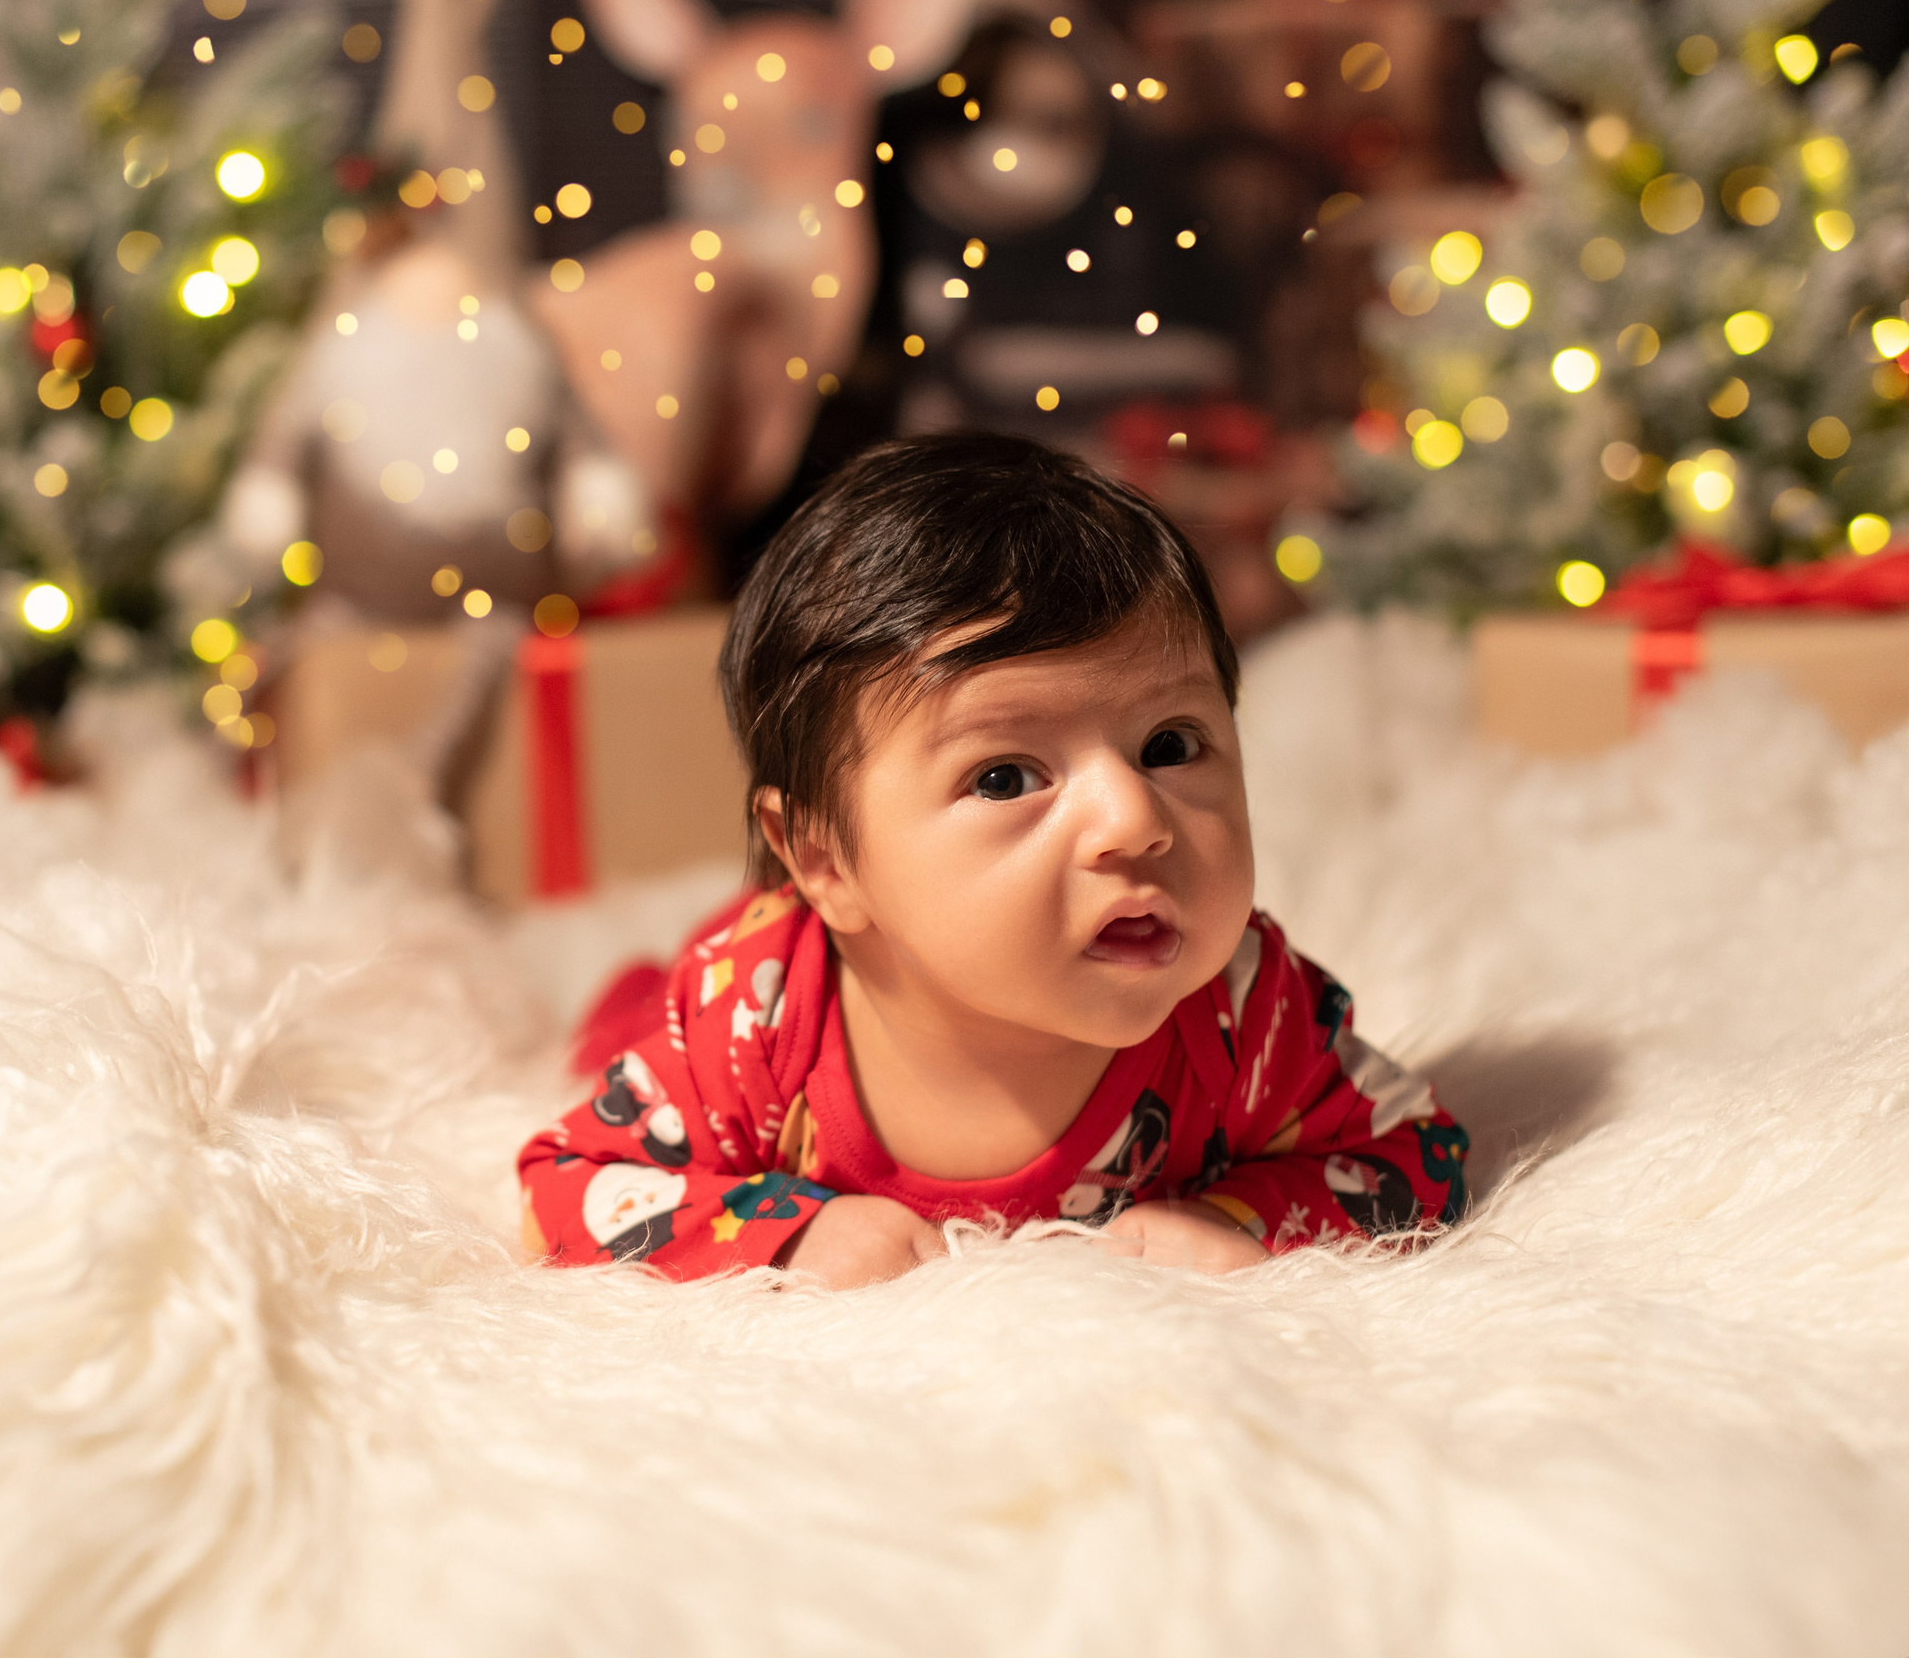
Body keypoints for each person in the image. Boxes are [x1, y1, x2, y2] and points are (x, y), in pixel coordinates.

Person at [516, 434, 1467, 1288]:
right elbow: (566, 1188)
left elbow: (1417, 1152)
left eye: (1171, 745)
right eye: (1008, 775)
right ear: (825, 859)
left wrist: (1240, 1222)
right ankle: (631, 997)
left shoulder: (1245, 1012)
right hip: (730, 977)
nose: (1133, 821)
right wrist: (787, 1233)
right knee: (629, 1025)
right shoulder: (756, 1017)